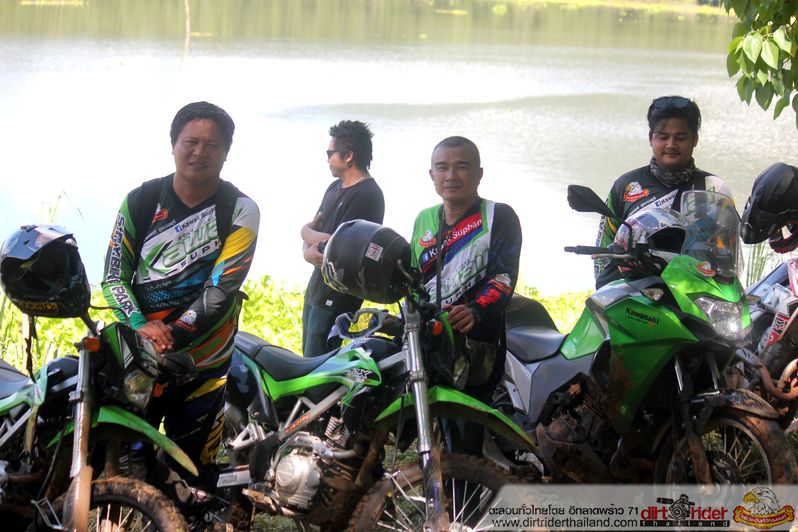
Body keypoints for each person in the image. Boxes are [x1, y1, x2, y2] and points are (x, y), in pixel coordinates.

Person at [101, 101, 260, 506]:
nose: (199, 152)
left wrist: (168, 335)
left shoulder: (241, 209)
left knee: (193, 477)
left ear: (226, 152)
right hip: (138, 360)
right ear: (173, 144)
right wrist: (140, 325)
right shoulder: (141, 200)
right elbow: (114, 276)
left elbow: (221, 289)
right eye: (190, 141)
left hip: (204, 365)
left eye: (212, 144)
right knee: (124, 467)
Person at [410, 135, 522, 457]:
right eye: (442, 168)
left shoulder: (499, 216)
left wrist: (476, 309)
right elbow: (413, 279)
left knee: (467, 433)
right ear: (431, 174)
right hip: (429, 342)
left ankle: (471, 483)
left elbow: (503, 277)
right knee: (432, 426)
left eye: (461, 167)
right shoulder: (424, 220)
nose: (451, 176)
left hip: (477, 345)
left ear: (479, 174)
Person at [594, 95, 733, 288]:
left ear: (695, 139)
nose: (671, 145)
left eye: (681, 138)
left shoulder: (714, 188)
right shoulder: (625, 187)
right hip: (637, 297)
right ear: (651, 138)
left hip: (696, 297)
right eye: (663, 136)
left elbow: (728, 260)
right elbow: (602, 254)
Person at [301, 120, 384, 357]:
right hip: (317, 287)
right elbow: (317, 229)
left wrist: (304, 231)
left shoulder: (367, 195)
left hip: (339, 295)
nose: (327, 159)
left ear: (348, 156)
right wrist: (307, 247)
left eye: (330, 153)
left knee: (321, 362)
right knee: (307, 357)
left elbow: (338, 246)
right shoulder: (334, 188)